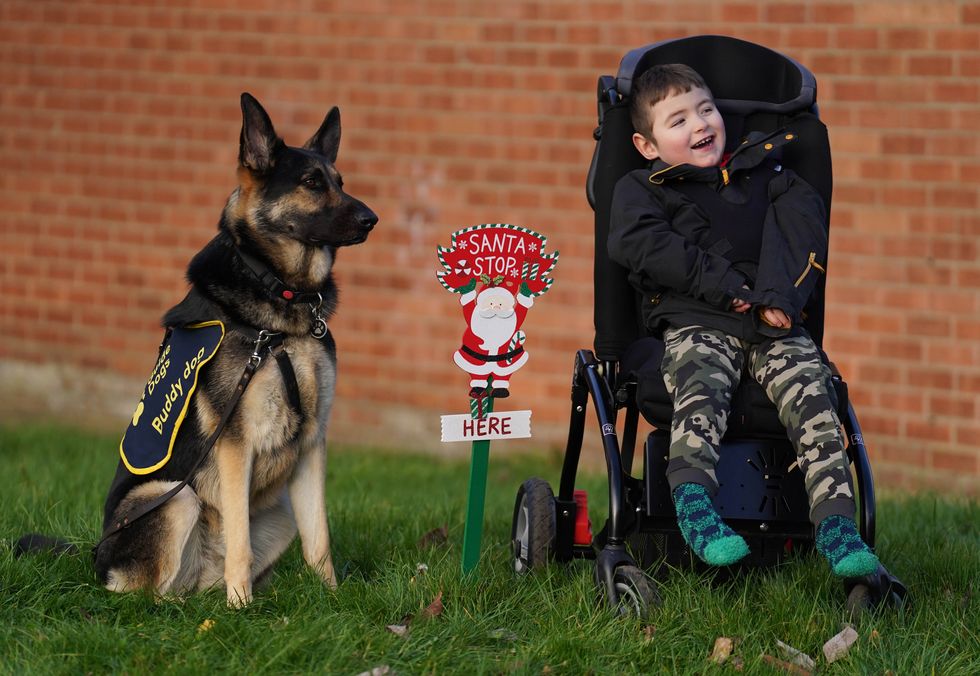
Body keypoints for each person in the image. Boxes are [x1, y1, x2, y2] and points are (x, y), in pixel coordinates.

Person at [608, 63, 879, 577]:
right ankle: (694, 508)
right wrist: (730, 290)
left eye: (706, 110)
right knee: (699, 382)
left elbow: (803, 237)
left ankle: (838, 528)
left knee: (813, 392)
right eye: (678, 120)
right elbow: (643, 245)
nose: (700, 124)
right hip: (696, 318)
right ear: (647, 145)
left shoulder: (772, 176)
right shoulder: (642, 189)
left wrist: (780, 299)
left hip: (773, 319)